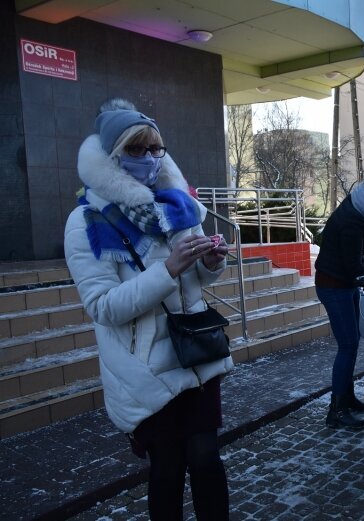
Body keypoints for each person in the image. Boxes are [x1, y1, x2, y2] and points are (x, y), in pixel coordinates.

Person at [63, 98, 233, 520]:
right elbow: (102, 307)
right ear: (113, 156)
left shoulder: (176, 207)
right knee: (168, 470)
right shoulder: (85, 221)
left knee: (208, 461)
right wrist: (168, 271)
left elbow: (192, 283)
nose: (149, 159)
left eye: (155, 149)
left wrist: (210, 265)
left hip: (194, 355)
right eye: (136, 150)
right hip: (143, 370)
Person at [315, 171, 364, 429]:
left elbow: (356, 258)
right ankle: (336, 410)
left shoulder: (358, 211)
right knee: (348, 345)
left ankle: (346, 398)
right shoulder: (352, 220)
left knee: (351, 343)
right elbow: (351, 265)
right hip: (333, 286)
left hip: (343, 283)